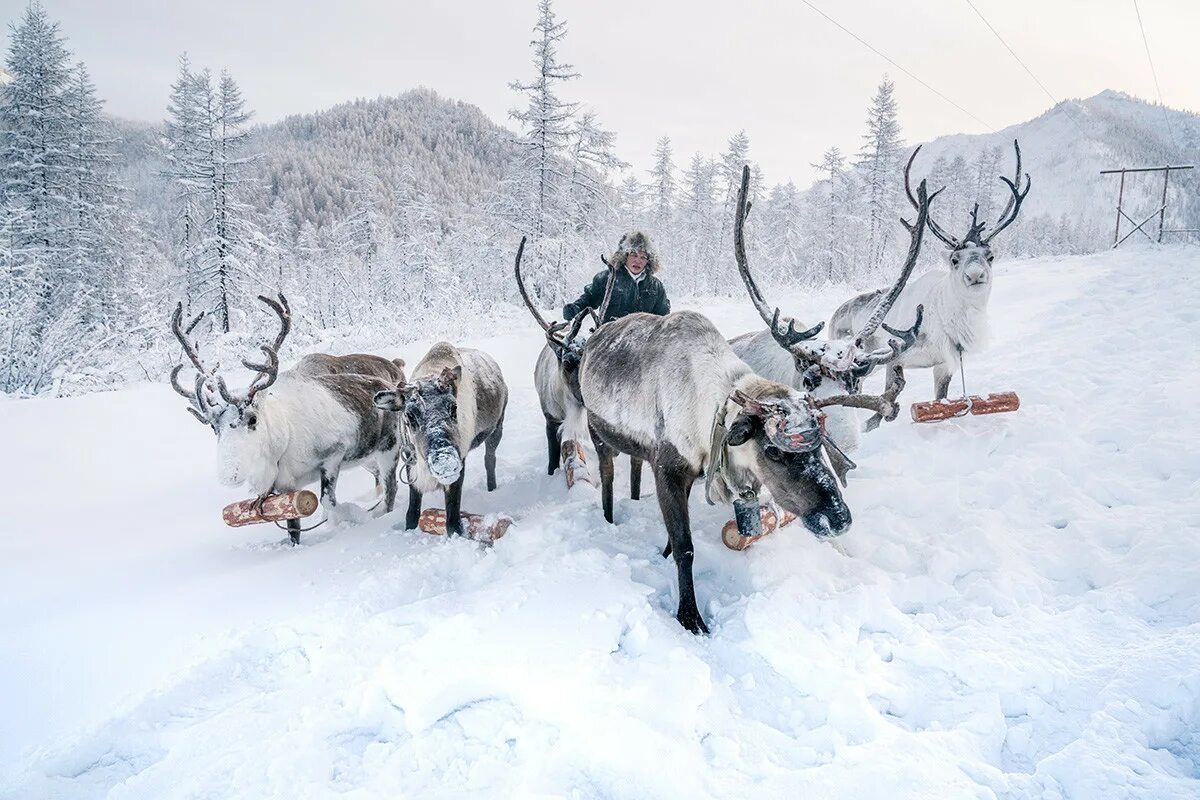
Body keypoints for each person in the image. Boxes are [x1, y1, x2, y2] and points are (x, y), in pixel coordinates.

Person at [563, 231, 670, 323]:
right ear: (625, 255)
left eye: (643, 257)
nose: (638, 260)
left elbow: (664, 317)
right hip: (608, 339)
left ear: (648, 261)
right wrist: (575, 308)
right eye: (634, 255)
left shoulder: (656, 286)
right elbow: (589, 299)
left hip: (643, 342)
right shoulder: (606, 278)